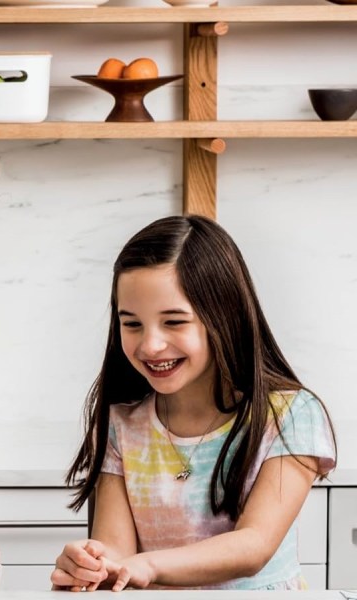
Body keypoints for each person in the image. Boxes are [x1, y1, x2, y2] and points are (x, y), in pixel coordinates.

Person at [51, 215, 336, 592]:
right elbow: (117, 558)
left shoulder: (289, 416)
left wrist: (147, 565)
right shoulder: (121, 424)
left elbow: (254, 546)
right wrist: (93, 567)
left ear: (224, 316)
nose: (150, 345)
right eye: (132, 324)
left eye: (174, 322)